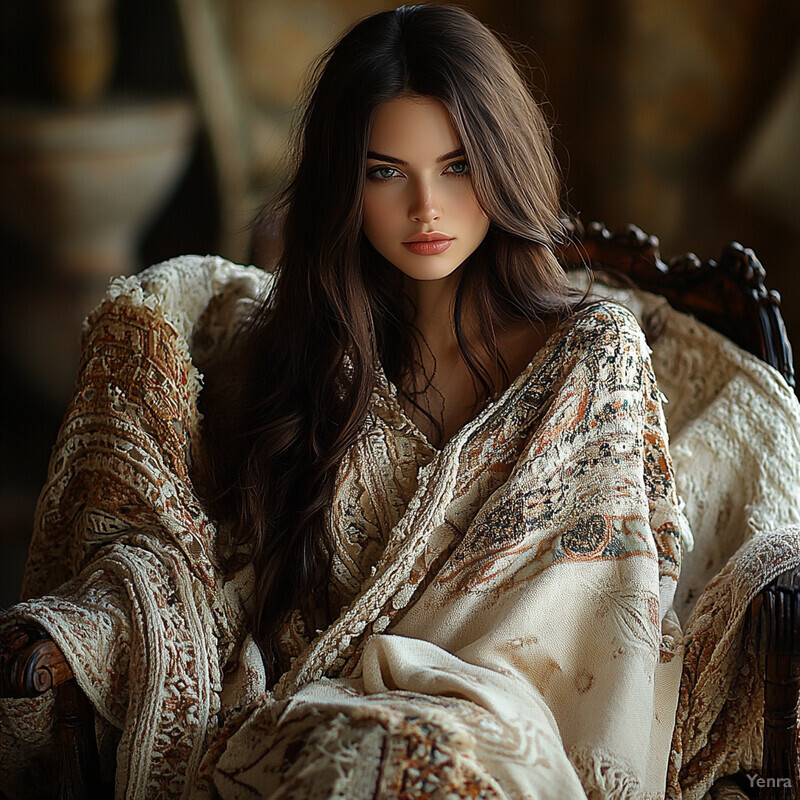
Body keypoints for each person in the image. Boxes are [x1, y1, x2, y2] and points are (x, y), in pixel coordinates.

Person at [0, 4, 695, 799]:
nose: (426, 207)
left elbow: (593, 607)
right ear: (345, 183)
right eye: (385, 171)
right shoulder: (319, 354)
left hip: (511, 726)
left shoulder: (591, 350)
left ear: (504, 162)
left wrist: (432, 706)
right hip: (325, 718)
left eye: (458, 165)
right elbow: (246, 580)